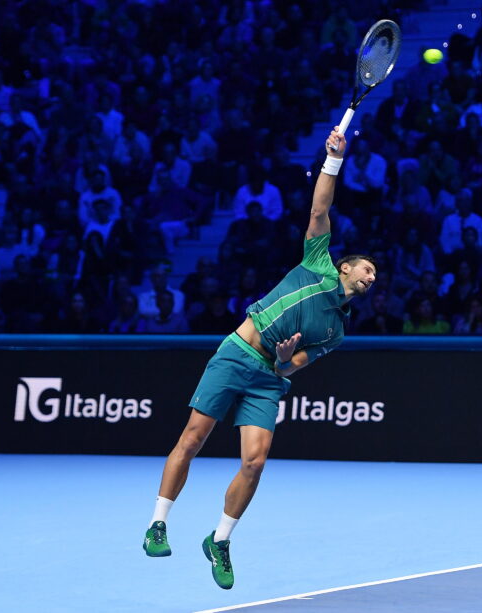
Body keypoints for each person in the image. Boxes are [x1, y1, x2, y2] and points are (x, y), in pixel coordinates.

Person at [142, 130, 376, 589]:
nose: (371, 276)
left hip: (268, 377)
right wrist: (333, 160)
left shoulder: (338, 331)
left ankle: (221, 541)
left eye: (375, 276)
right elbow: (319, 209)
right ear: (345, 266)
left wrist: (287, 360)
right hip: (237, 352)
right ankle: (158, 523)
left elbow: (295, 367)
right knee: (192, 438)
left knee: (255, 462)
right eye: (366, 268)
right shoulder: (317, 263)